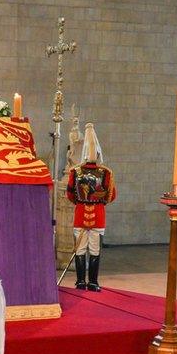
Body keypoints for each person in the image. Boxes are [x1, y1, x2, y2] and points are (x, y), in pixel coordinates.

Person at [65, 123, 116, 292]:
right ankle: (93, 283)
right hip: (98, 216)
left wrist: (82, 202)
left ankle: (80, 282)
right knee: (94, 250)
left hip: (80, 214)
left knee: (80, 249)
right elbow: (110, 196)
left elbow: (70, 194)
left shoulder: (75, 171)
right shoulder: (106, 173)